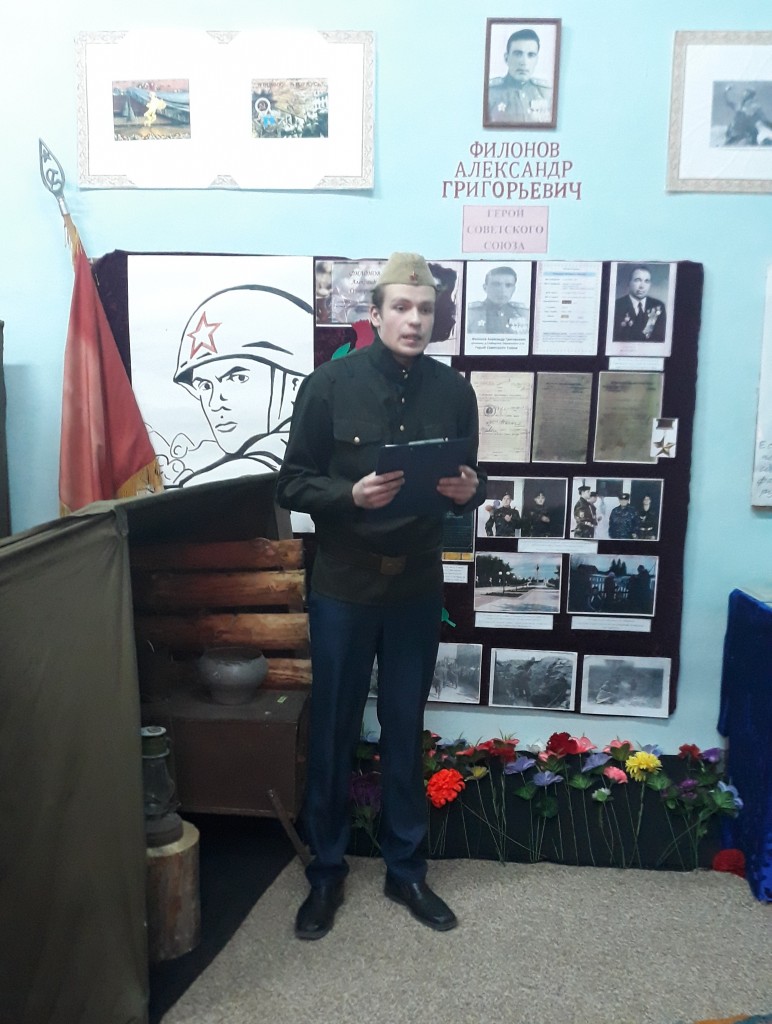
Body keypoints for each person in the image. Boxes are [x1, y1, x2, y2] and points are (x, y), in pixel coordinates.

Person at [276, 253, 486, 940]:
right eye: (401, 307)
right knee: (334, 729)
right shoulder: (329, 385)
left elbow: (467, 479)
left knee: (403, 726)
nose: (414, 320)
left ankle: (406, 870)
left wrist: (471, 491)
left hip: (416, 585)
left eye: (424, 309)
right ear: (374, 315)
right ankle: (326, 871)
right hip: (344, 582)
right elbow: (291, 483)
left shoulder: (454, 392)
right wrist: (350, 495)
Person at [172, 284, 312, 484]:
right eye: (205, 386)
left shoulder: (216, 483)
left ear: (294, 384)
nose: (215, 403)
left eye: (237, 378)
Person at [487, 29, 553, 124]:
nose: (524, 62)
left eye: (531, 55)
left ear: (536, 60)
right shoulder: (490, 93)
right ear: (506, 58)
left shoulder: (546, 93)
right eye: (518, 54)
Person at [467, 266, 528, 334]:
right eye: (496, 285)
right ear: (485, 288)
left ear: (513, 289)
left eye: (508, 285)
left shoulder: (523, 314)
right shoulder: (470, 314)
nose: (502, 290)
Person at [613, 265, 667, 342]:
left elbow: (660, 338)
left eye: (646, 281)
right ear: (629, 283)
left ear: (650, 284)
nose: (642, 286)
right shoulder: (617, 305)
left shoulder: (658, 306)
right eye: (637, 280)